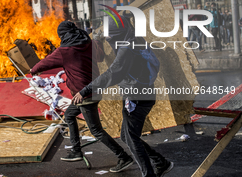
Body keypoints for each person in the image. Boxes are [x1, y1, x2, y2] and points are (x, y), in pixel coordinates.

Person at [74, 15, 173, 177]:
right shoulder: (133, 37)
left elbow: (113, 73)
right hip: (143, 94)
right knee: (126, 136)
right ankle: (160, 162)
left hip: (136, 99)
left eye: (109, 35)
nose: (107, 38)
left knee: (131, 137)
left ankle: (149, 174)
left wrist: (85, 90)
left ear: (116, 34)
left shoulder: (127, 49)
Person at [30, 21, 132, 172]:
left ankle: (123, 157)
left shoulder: (64, 50)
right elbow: (101, 56)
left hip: (84, 95)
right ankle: (76, 151)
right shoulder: (89, 43)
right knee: (70, 115)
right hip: (94, 90)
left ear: (62, 35)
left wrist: (33, 70)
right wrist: (97, 41)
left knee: (96, 131)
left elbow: (42, 65)